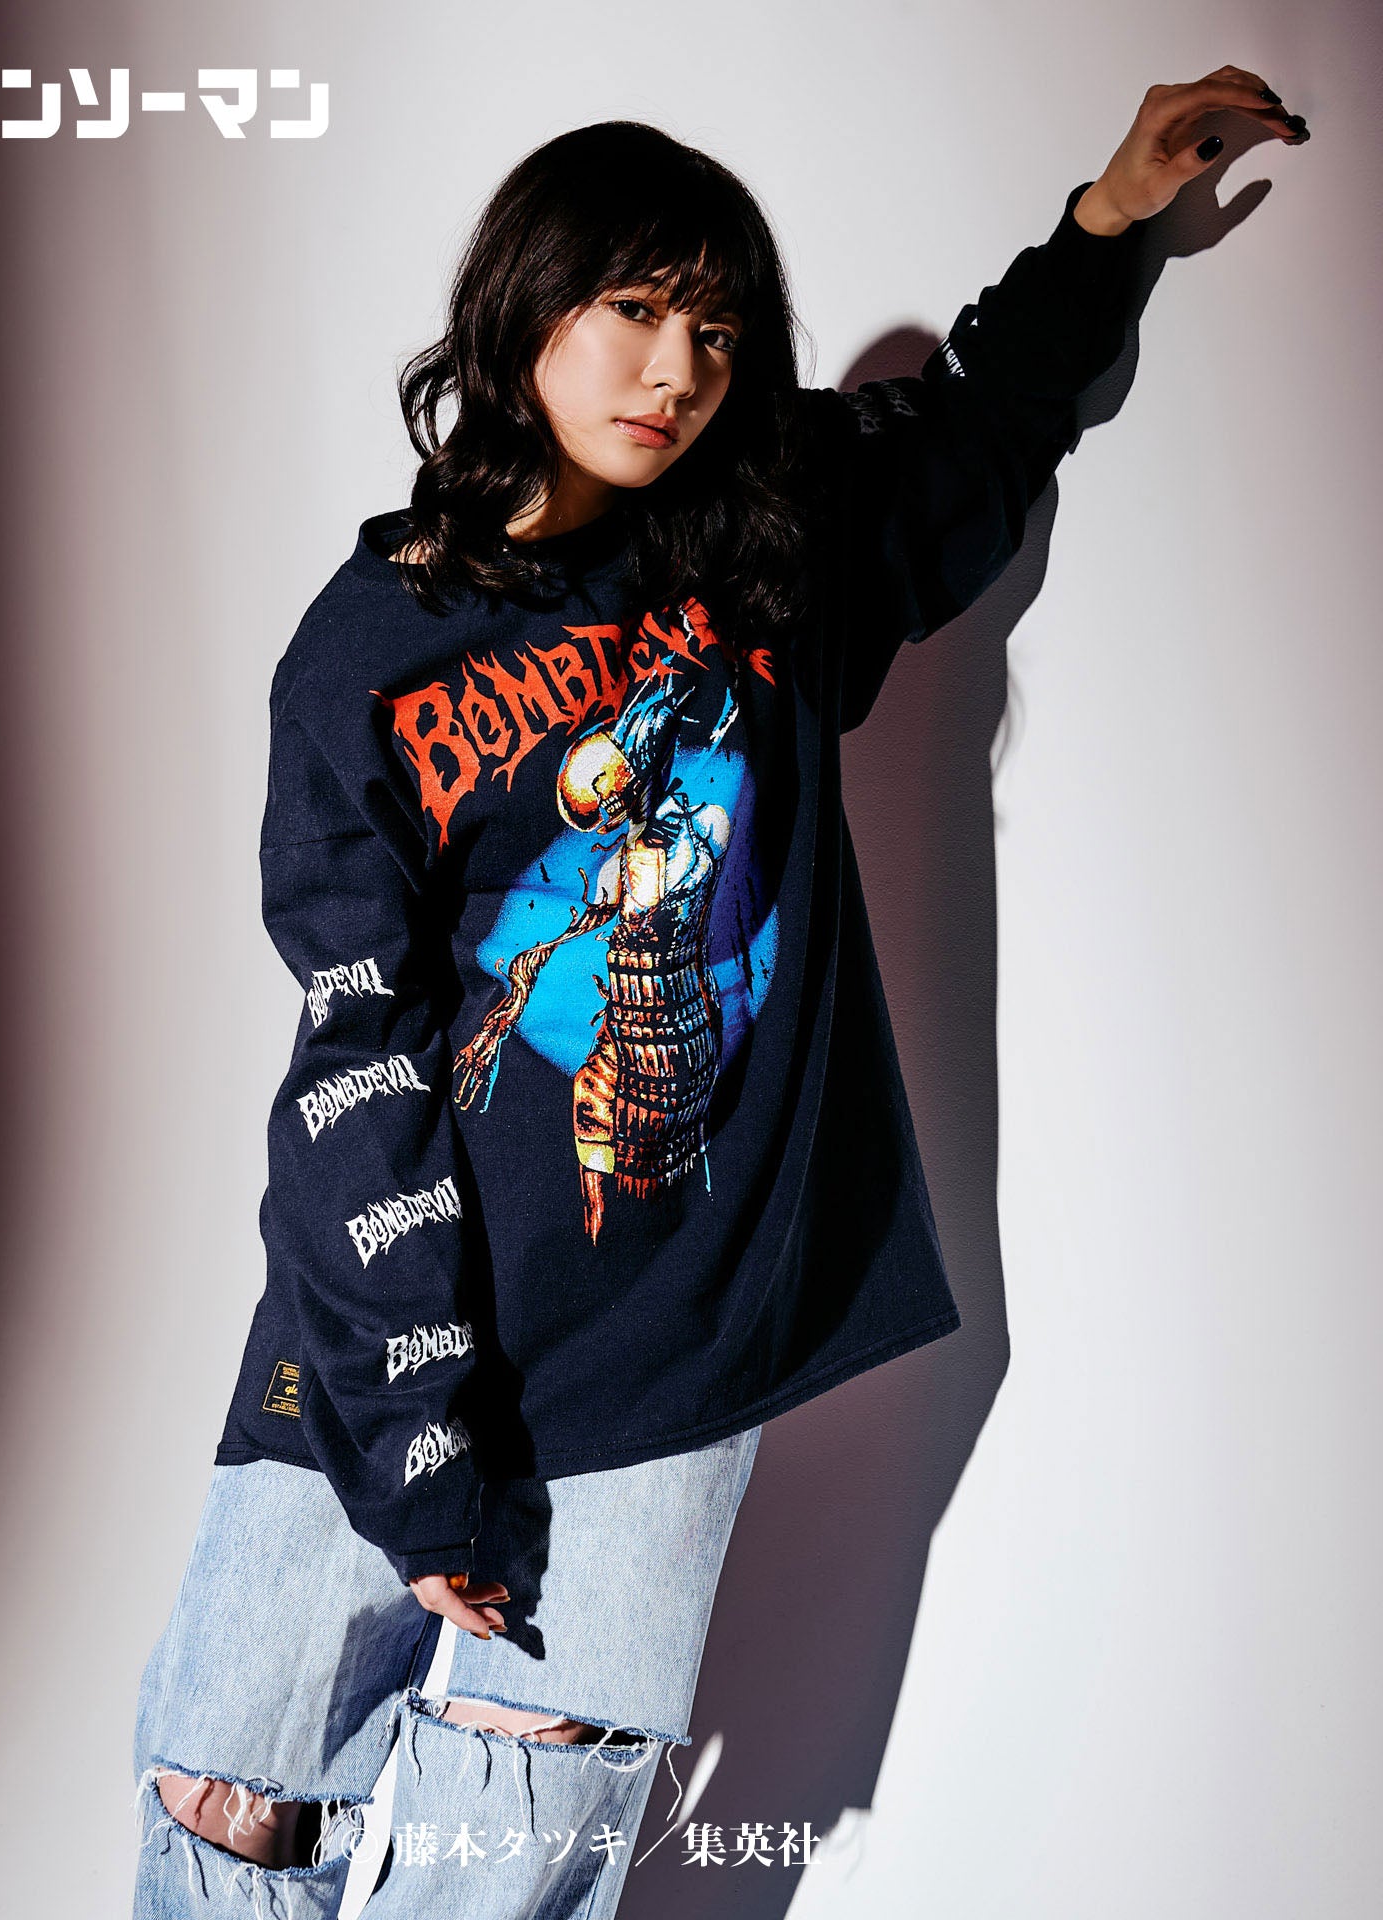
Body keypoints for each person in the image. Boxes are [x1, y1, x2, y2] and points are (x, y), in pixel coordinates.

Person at [131, 74, 1307, 1919]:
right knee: (228, 1801)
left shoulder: (764, 549)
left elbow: (979, 431)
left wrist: (1108, 224)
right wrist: (421, 1439)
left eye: (719, 329)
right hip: (384, 1333)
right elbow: (355, 1056)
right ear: (525, 308)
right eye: (634, 309)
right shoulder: (370, 645)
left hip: (663, 1347)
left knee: (504, 1848)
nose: (675, 369)